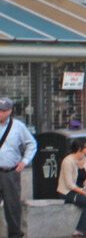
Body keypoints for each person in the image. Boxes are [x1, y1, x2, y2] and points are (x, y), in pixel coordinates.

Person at [0, 97, 36, 238]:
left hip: (10, 171)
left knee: (12, 206)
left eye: (2, 110)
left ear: (9, 111)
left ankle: (15, 234)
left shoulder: (18, 126)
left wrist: (25, 161)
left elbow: (31, 143)